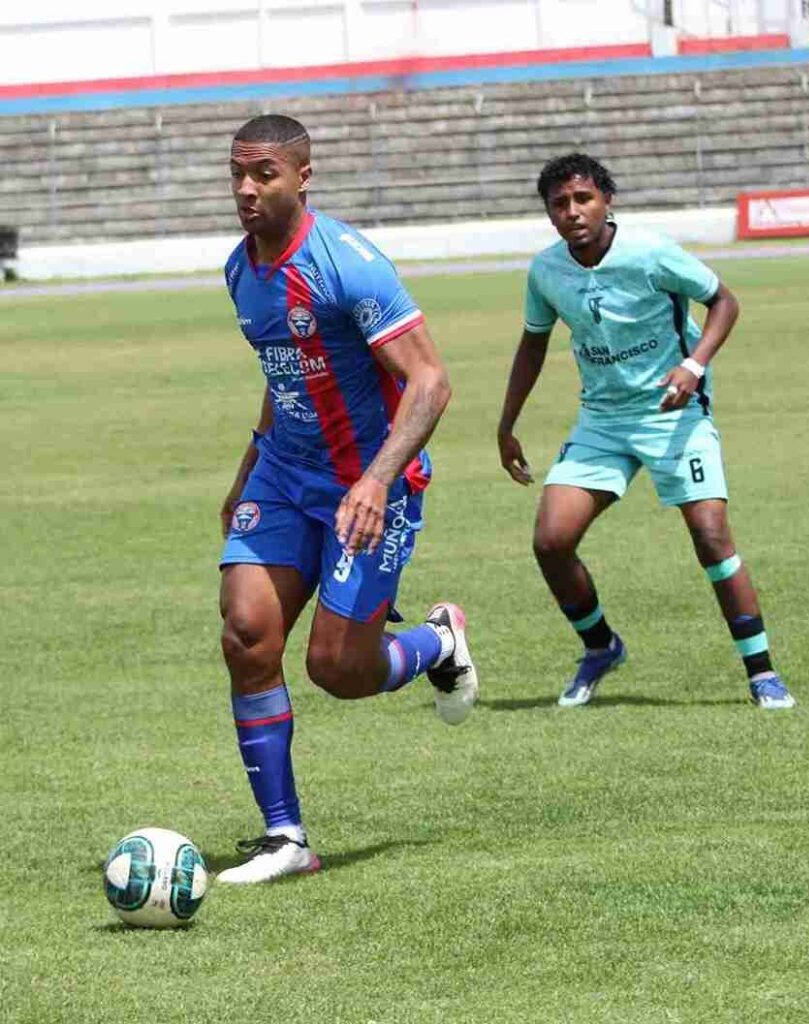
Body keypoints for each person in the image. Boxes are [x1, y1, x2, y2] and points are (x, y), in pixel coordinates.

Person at [216, 114, 478, 885]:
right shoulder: (239, 270)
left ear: (303, 176)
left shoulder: (350, 264)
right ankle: (285, 838)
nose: (245, 188)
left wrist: (375, 478)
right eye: (236, 172)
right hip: (283, 474)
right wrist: (245, 473)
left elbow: (430, 382)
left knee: (337, 668)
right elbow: (286, 374)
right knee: (245, 633)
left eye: (263, 173)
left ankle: (437, 644)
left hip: (370, 485)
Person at [497, 153, 794, 711]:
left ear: (607, 200)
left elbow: (724, 301)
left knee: (710, 534)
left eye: (583, 199)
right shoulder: (546, 271)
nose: (572, 212)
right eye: (559, 204)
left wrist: (694, 366)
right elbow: (533, 343)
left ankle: (762, 673)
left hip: (674, 414)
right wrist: (507, 424)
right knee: (551, 540)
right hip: (602, 420)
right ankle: (601, 646)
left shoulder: (651, 252)